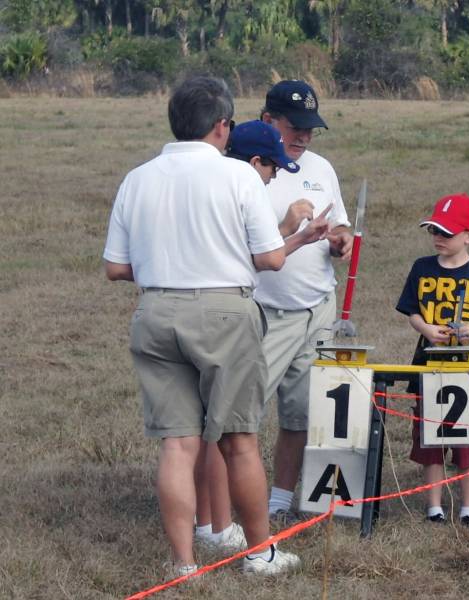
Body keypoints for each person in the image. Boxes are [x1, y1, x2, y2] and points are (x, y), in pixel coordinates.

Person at [103, 76, 299, 576]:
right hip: (224, 314)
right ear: (222, 126)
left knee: (177, 442)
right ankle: (260, 553)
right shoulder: (238, 176)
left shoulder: (136, 178)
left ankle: (183, 563)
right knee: (239, 440)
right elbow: (271, 258)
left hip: (155, 311)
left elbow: (116, 267)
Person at [193, 119, 331, 550]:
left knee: (207, 427)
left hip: (199, 312)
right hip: (232, 314)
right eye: (272, 168)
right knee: (228, 427)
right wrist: (289, 230)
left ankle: (214, 523)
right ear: (256, 162)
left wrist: (301, 237)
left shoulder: (208, 181)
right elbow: (262, 258)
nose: (273, 177)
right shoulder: (238, 188)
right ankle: (219, 528)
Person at [257, 80, 354, 523]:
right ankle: (221, 505)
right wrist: (286, 223)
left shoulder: (321, 168)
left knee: (300, 412)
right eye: (294, 126)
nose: (303, 137)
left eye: (310, 128)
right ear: (268, 120)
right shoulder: (246, 169)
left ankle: (279, 501)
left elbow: (341, 224)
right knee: (240, 413)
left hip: (317, 309)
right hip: (264, 310)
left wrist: (340, 241)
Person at [395, 193, 469, 533]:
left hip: (467, 369)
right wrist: (427, 329)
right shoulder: (421, 267)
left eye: (447, 232)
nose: (438, 238)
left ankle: (468, 509)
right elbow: (412, 311)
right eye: (434, 231)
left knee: (467, 443)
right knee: (431, 439)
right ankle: (434, 508)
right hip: (428, 367)